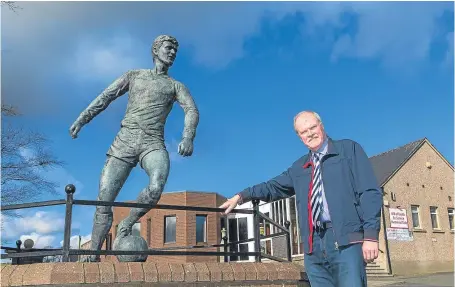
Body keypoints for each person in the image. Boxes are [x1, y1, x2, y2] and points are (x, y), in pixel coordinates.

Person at [69, 35, 199, 262]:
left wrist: (188, 137)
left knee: (157, 184)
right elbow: (106, 97)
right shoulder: (134, 75)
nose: (172, 53)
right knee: (104, 199)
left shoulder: (175, 85)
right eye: (168, 48)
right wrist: (82, 119)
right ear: (156, 50)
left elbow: (191, 110)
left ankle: (126, 224)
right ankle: (93, 253)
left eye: (175, 51)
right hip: (125, 141)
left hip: (152, 142)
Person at [219, 111, 382, 287]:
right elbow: (273, 186)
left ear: (322, 126)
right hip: (314, 248)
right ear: (299, 136)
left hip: (346, 241)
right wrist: (241, 196)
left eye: (313, 127)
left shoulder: (348, 150)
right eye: (304, 131)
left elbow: (370, 191)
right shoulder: (300, 167)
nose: (310, 133)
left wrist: (371, 235)